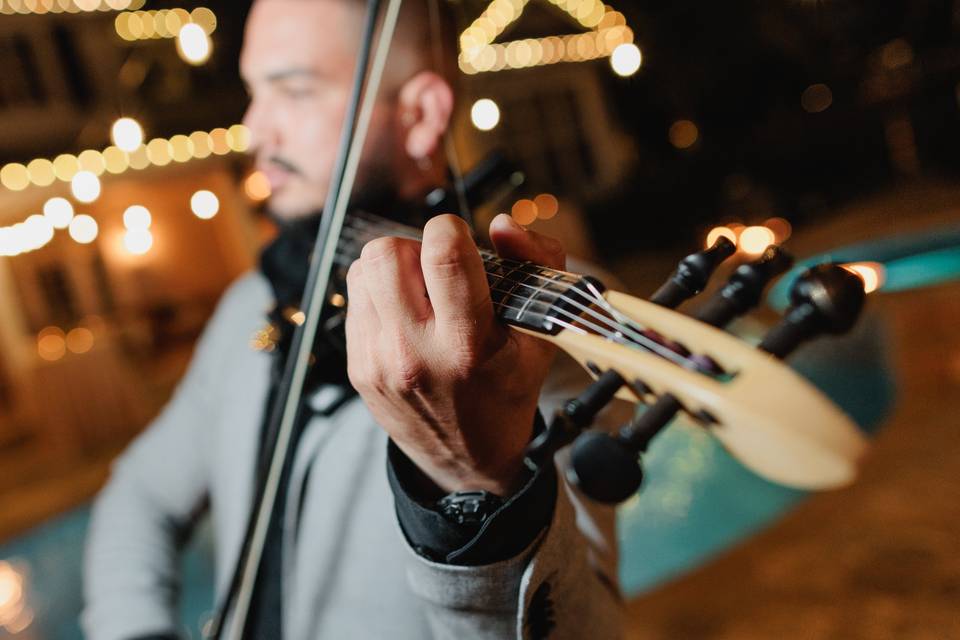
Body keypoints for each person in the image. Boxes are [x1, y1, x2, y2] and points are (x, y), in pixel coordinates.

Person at [83, 0, 627, 638]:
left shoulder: (525, 345)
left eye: (295, 91)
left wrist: (474, 484)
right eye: (253, 92)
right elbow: (143, 492)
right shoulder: (252, 303)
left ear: (420, 115)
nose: (256, 130)